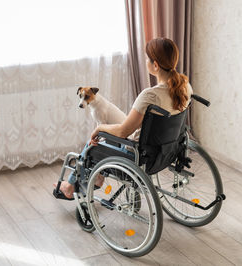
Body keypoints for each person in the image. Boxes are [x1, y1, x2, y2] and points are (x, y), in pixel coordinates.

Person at [55, 37, 193, 199]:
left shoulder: (150, 95)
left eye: (147, 59)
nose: (145, 61)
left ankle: (72, 186)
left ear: (155, 65)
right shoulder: (185, 87)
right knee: (101, 140)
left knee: (91, 145)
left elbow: (122, 131)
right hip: (167, 150)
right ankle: (90, 180)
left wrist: (99, 128)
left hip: (137, 154)